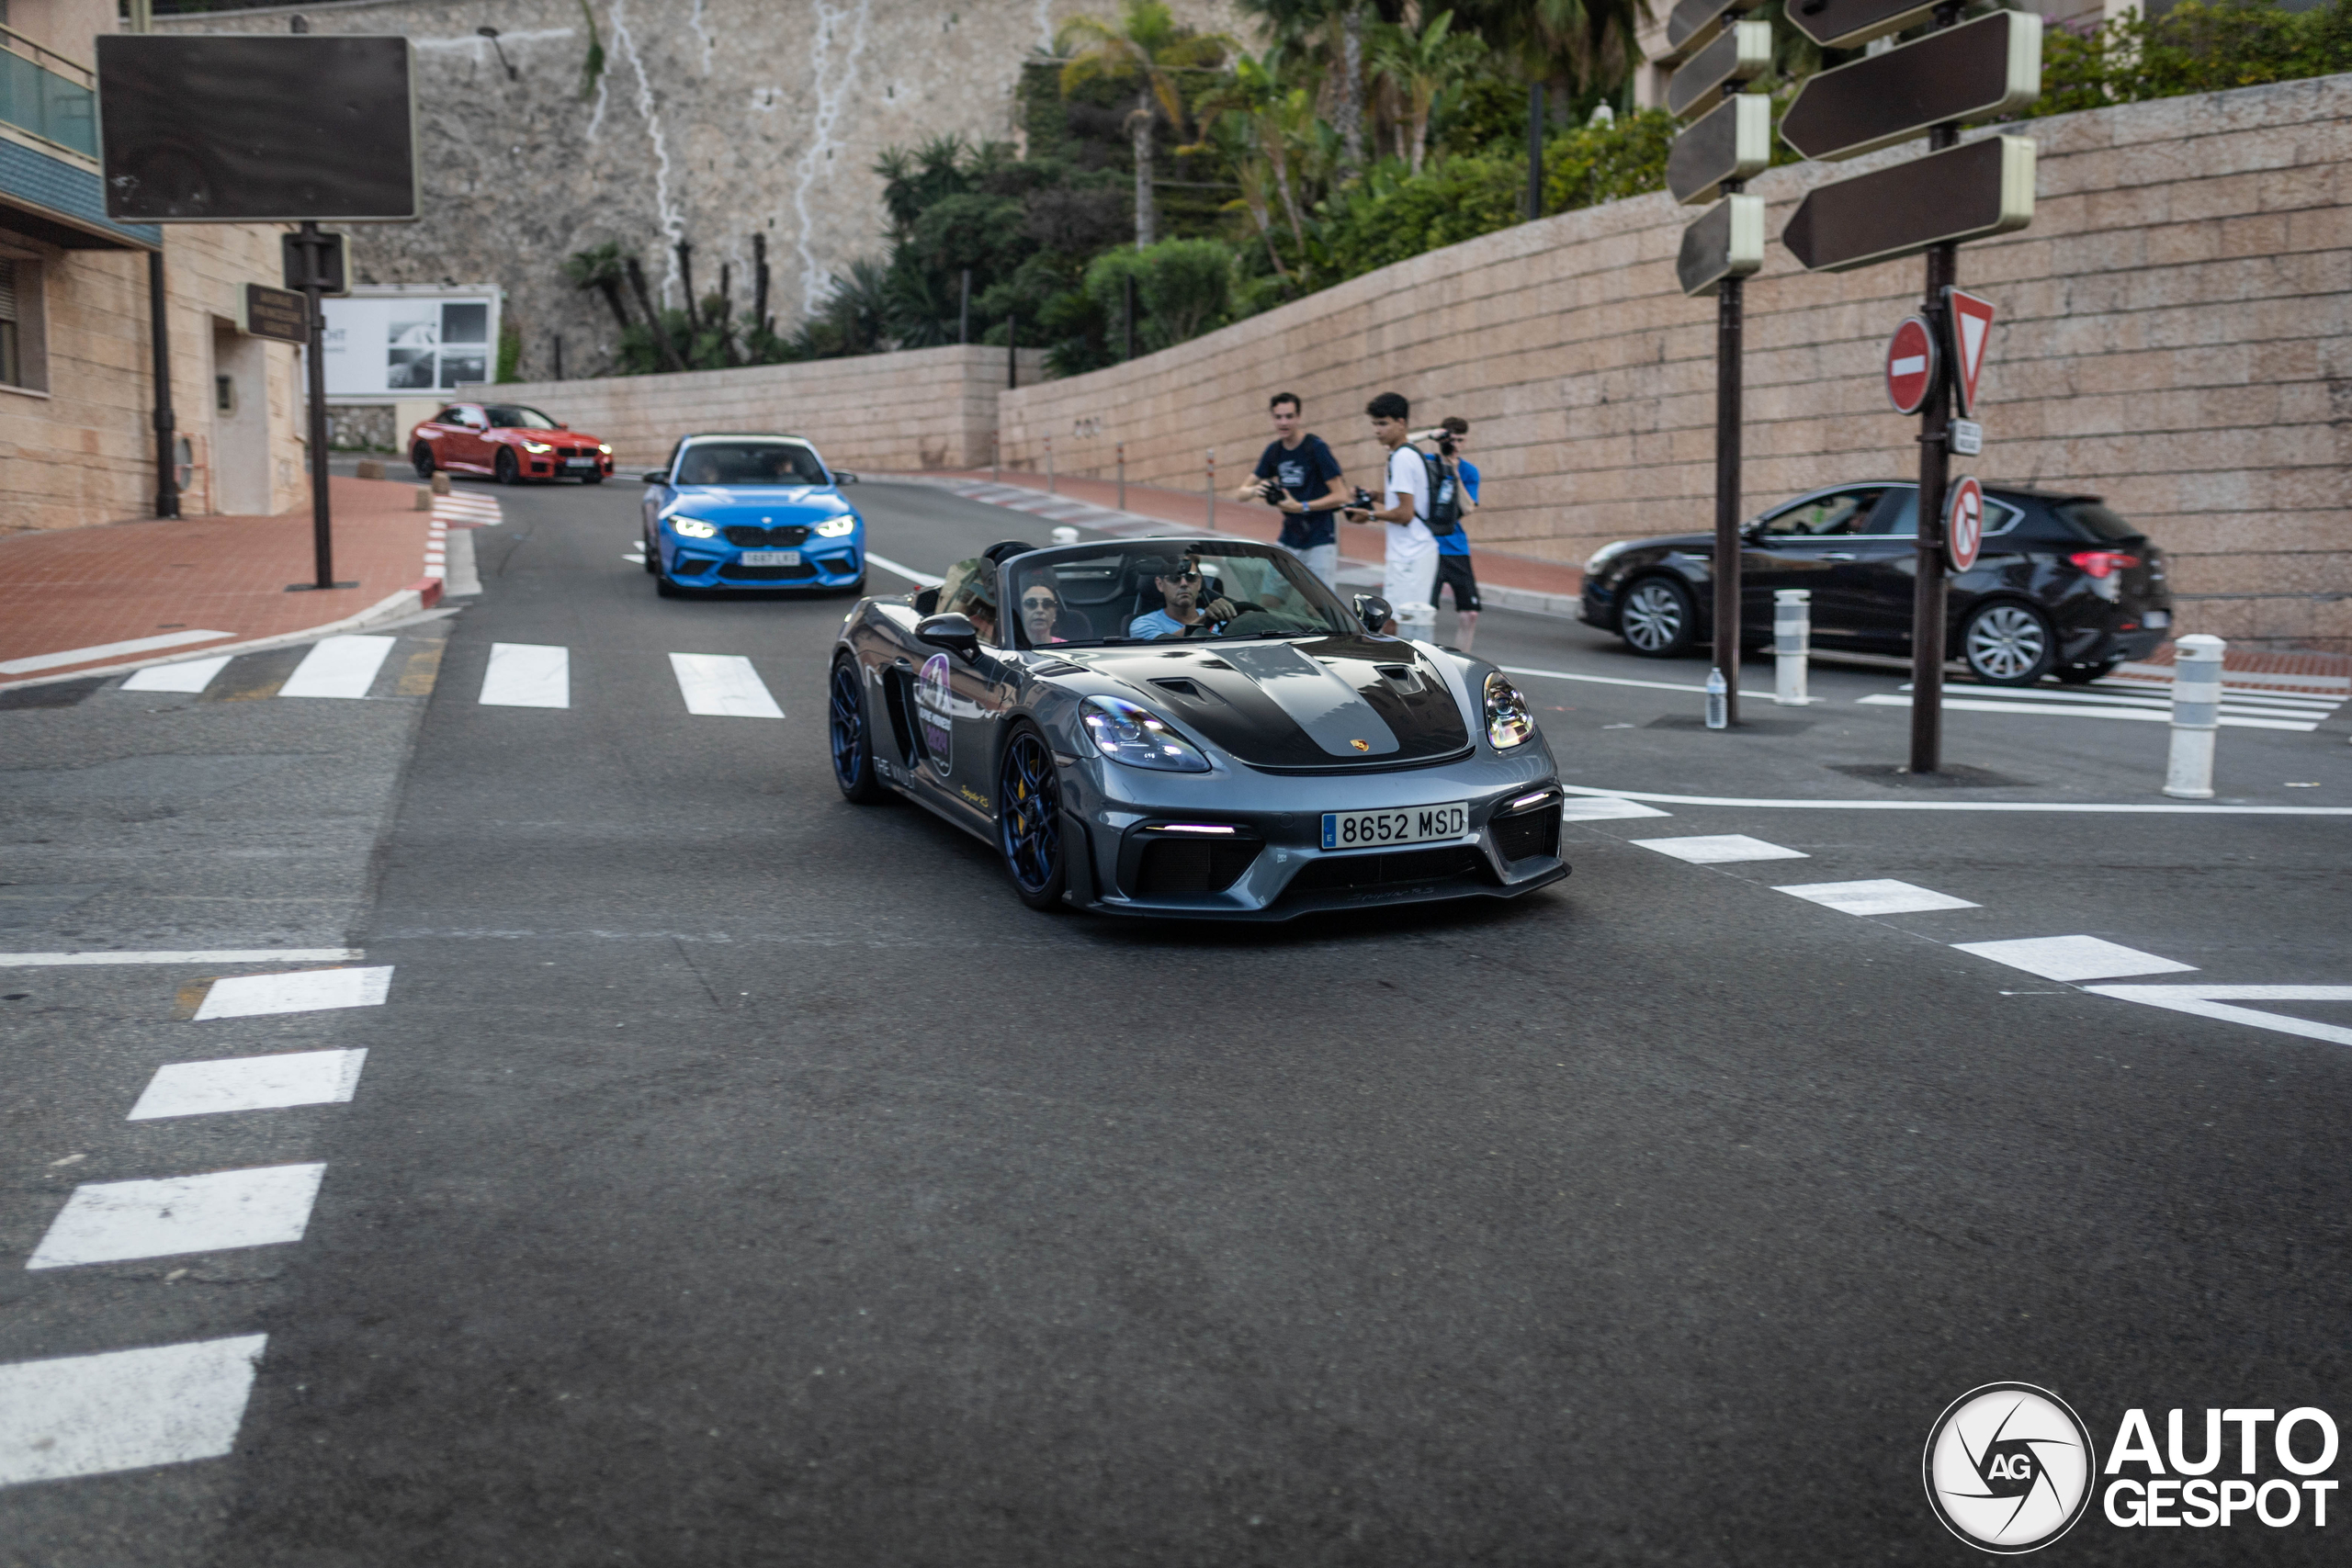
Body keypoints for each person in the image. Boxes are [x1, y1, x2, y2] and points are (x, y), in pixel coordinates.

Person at [1340, 391, 1436, 625]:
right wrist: (1373, 496)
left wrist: (1369, 514)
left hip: (1411, 555)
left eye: (1383, 423)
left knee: (1399, 625)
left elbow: (1405, 513)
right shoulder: (1405, 453)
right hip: (1410, 552)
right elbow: (1403, 501)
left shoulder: (1402, 458)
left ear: (1401, 422)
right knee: (1395, 623)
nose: (1377, 430)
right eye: (1374, 424)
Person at [1235, 391, 1349, 586]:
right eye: (1278, 417)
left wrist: (1301, 506)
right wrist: (1256, 490)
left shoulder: (1316, 448)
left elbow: (1341, 496)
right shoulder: (1274, 451)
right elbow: (1241, 493)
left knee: (1320, 608)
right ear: (1272, 418)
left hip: (1320, 540)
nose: (1284, 422)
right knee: (1269, 599)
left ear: (1299, 417)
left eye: (1289, 416)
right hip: (1289, 538)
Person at [1432, 415, 1482, 651]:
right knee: (1422, 610)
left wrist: (1454, 471)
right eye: (1451, 439)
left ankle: (1461, 666)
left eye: (1461, 440)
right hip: (1427, 546)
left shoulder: (1469, 472)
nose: (1456, 445)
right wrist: (1429, 435)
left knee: (1470, 614)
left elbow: (1468, 508)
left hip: (1455, 547)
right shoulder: (1425, 462)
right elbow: (1393, 451)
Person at [1127, 556, 1238, 639]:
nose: (1184, 583)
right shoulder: (1142, 625)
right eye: (1175, 578)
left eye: (1191, 577)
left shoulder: (1223, 619)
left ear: (1199, 582)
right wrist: (1205, 619)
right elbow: (1165, 647)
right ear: (1160, 584)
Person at [1018, 581, 1068, 645]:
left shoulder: (1068, 649)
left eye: (1047, 603)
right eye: (1031, 603)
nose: (1040, 610)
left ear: (1055, 613)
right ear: (1020, 611)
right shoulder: (1009, 650)